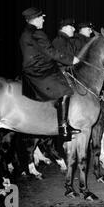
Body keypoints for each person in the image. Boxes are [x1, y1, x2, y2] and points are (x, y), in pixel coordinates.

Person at [19, 7, 80, 142]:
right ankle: (63, 128)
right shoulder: (37, 33)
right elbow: (51, 52)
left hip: (35, 68)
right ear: (35, 19)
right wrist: (71, 60)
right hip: (39, 70)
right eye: (41, 17)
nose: (43, 19)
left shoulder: (27, 32)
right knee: (65, 91)